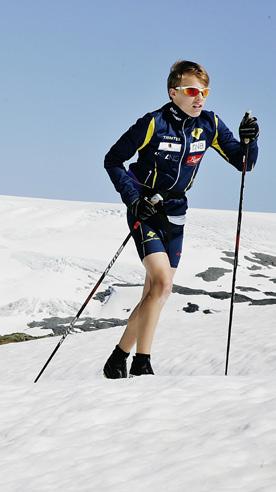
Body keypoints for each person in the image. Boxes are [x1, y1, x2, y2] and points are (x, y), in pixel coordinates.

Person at [102, 60, 259, 378]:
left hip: (175, 212)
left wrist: (250, 141)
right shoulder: (153, 123)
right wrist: (134, 199)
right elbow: (113, 160)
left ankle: (120, 358)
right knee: (161, 283)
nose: (199, 97)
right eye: (191, 91)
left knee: (157, 291)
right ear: (174, 93)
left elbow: (244, 164)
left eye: (205, 91)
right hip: (145, 208)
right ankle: (141, 362)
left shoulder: (210, 123)